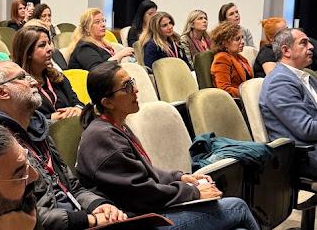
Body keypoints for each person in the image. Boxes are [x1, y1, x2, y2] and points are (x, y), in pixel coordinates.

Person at [75, 61, 260, 230]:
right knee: (237, 207)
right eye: (127, 86)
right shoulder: (104, 137)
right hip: (138, 220)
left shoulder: (115, 125)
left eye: (132, 82)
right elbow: (142, 194)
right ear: (108, 102)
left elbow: (142, 171)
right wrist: (193, 192)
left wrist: (180, 177)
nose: (136, 89)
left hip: (144, 210)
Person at [0, 61, 126, 230]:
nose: (34, 81)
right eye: (22, 77)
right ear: (2, 92)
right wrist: (89, 220)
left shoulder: (37, 128)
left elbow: (72, 186)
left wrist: (98, 205)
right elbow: (19, 217)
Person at [260, 28, 317, 176]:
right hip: (304, 157)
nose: (311, 47)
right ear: (286, 51)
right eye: (303, 43)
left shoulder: (306, 77)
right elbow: (306, 129)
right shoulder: (279, 81)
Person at [13, 25, 83, 120]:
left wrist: (76, 110)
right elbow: (23, 120)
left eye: (49, 43)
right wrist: (50, 118)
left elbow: (77, 103)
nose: (50, 49)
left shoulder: (57, 77)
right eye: (42, 45)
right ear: (27, 52)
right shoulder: (17, 86)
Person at [67, 8, 134, 71]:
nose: (103, 24)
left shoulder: (103, 43)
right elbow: (98, 70)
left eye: (103, 21)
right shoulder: (84, 47)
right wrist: (120, 54)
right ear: (87, 28)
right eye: (97, 22)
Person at [210, 21, 252, 98]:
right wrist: (247, 94)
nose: (243, 42)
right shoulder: (222, 58)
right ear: (224, 43)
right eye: (237, 39)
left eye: (242, 38)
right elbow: (224, 89)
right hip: (234, 102)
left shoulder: (241, 58)